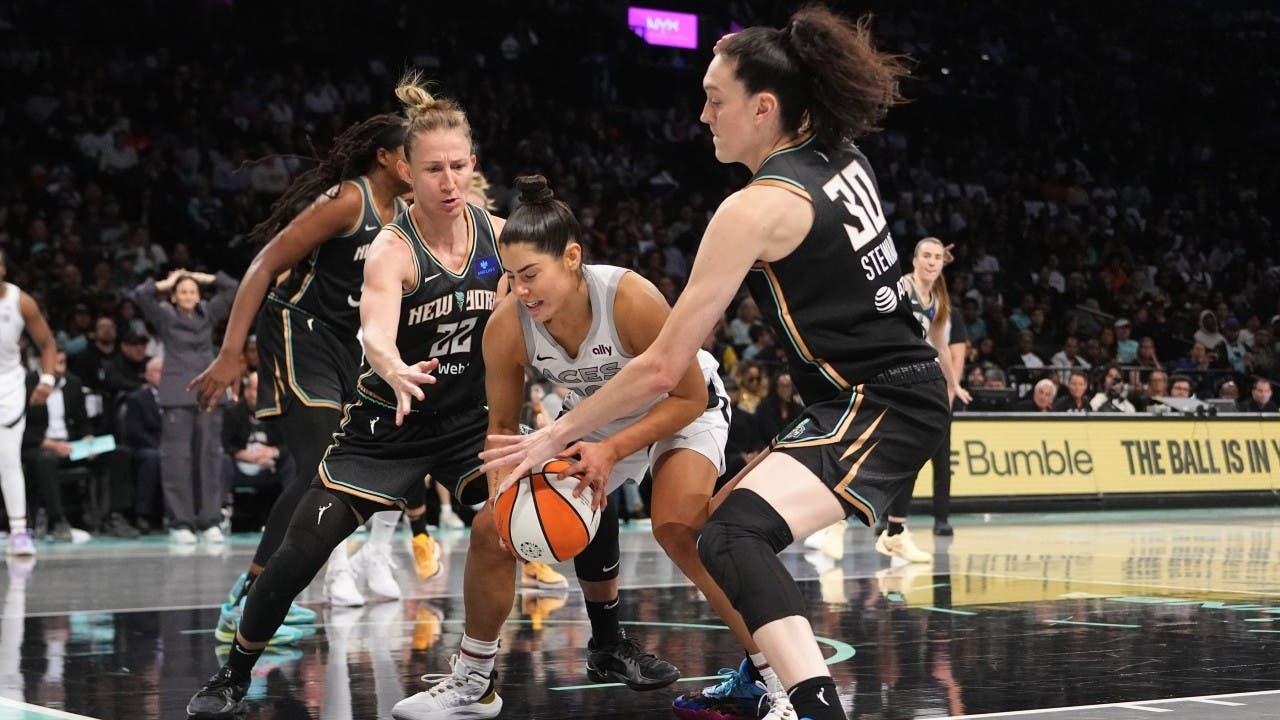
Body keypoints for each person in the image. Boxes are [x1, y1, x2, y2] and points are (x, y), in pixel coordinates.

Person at [480, 11, 949, 720]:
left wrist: (552, 435)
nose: (701, 114)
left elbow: (666, 367)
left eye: (715, 98)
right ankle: (772, 681)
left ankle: (812, 707)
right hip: (868, 394)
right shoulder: (841, 155)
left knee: (731, 535)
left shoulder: (754, 207)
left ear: (765, 109)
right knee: (720, 529)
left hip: (882, 399)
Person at [187, 72, 504, 719]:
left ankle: (518, 662)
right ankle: (243, 643)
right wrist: (230, 351)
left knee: (514, 525)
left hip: (454, 419)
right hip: (320, 343)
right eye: (431, 167)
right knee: (310, 497)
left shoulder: (495, 232)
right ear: (402, 165)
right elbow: (285, 275)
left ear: (473, 164)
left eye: (457, 167)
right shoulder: (368, 219)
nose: (447, 180)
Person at [398, 175, 745, 719]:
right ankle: (474, 680)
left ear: (572, 258)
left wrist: (611, 451)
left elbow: (686, 396)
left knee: (679, 528)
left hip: (680, 406)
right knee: (489, 531)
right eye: (510, 277)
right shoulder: (507, 327)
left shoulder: (627, 297)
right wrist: (508, 509)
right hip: (596, 415)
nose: (522, 290)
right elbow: (504, 430)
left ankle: (773, 679)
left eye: (531, 274)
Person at [184, 112, 424, 617]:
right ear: (384, 156)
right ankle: (251, 597)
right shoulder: (347, 200)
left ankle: (268, 589)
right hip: (299, 326)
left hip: (353, 340)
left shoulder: (407, 214)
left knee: (354, 467)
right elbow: (263, 265)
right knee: (319, 462)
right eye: (411, 153)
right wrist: (231, 353)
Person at [129, 269, 238, 543]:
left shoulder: (207, 315)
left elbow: (232, 287)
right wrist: (166, 283)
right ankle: (181, 523)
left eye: (192, 291)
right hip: (177, 391)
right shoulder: (166, 317)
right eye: (183, 292)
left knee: (210, 456)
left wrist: (200, 277)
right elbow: (141, 296)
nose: (189, 296)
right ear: (174, 298)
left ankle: (210, 520)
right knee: (177, 459)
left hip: (209, 390)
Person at [878, 236, 971, 551]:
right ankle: (874, 526)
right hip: (891, 379)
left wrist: (954, 384)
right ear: (914, 261)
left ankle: (894, 532)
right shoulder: (901, 287)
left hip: (920, 382)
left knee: (913, 455)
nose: (932, 261)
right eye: (926, 256)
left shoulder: (938, 300)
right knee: (889, 455)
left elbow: (942, 348)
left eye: (937, 257)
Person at [0, 249, 58, 555]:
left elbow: (47, 343)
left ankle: (19, 532)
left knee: (8, 459)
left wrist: (47, 380)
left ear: (2, 269)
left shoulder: (21, 301)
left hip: (7, 386)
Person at [20, 349, 92, 542]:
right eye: (55, 362)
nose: (60, 367)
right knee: (47, 459)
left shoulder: (73, 383)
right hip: (37, 445)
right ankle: (57, 520)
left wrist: (87, 437)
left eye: (63, 362)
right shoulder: (25, 385)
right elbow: (19, 427)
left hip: (69, 445)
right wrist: (50, 444)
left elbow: (82, 420)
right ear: (40, 362)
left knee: (116, 454)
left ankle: (113, 516)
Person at [123, 357, 164, 533]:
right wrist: (160, 447)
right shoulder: (136, 398)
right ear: (148, 376)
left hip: (172, 447)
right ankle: (143, 515)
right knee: (152, 458)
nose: (164, 375)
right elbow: (134, 432)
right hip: (143, 447)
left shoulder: (178, 398)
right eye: (159, 371)